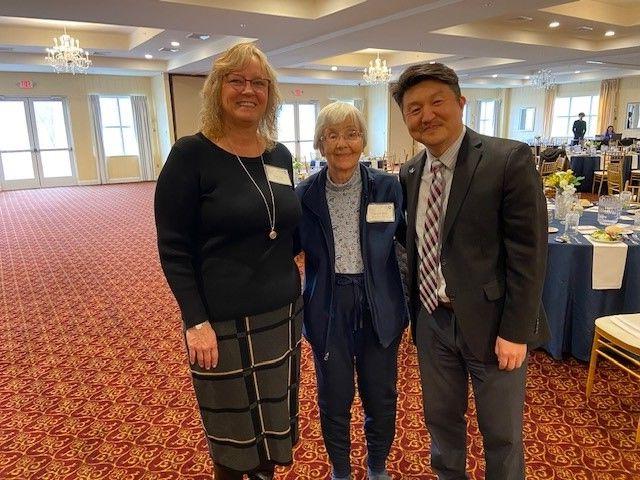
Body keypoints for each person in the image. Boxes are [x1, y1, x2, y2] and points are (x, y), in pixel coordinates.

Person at [393, 62, 549, 480]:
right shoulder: (410, 173)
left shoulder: (507, 159)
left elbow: (529, 255)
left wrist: (516, 331)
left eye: (436, 102)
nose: (426, 115)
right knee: (441, 423)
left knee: (501, 434)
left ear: (461, 103)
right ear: (405, 118)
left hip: (493, 323)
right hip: (432, 321)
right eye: (413, 108)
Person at [154, 42, 303, 480]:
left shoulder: (280, 156)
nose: (248, 90)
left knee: (273, 424)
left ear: (269, 94)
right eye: (236, 80)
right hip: (221, 323)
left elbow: (284, 226)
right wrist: (194, 321)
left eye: (259, 83)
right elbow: (174, 248)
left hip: (282, 314)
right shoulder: (190, 155)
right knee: (234, 433)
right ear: (218, 88)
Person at [295, 102, 408, 480]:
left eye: (352, 134)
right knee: (334, 397)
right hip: (328, 306)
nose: (343, 144)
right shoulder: (305, 194)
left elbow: (410, 243)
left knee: (381, 395)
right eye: (333, 135)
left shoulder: (387, 186)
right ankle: (340, 470)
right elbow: (280, 253)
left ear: (363, 140)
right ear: (320, 143)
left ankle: (377, 466)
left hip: (380, 306)